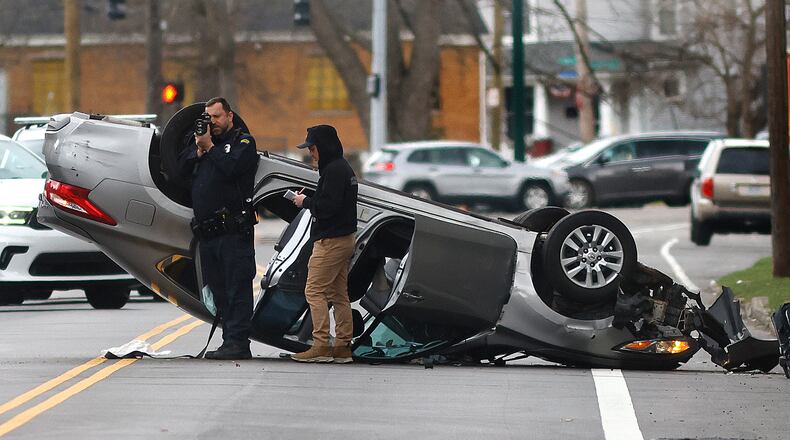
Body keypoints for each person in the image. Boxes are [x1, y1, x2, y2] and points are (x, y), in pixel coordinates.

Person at [177, 97, 258, 360]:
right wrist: (199, 151)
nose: (212, 122)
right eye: (208, 117)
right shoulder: (201, 144)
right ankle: (229, 340)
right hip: (209, 233)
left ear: (230, 117)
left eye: (217, 116)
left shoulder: (243, 143)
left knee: (237, 288)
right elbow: (179, 171)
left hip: (234, 232)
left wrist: (210, 147)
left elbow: (232, 168)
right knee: (219, 289)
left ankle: (238, 342)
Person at [290, 125, 358, 363]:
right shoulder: (341, 168)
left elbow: (327, 208)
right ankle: (342, 346)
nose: (311, 152)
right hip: (345, 239)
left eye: (312, 147)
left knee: (314, 290)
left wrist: (304, 201)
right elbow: (332, 200)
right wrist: (312, 196)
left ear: (324, 146)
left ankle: (320, 345)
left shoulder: (333, 171)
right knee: (339, 294)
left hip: (331, 241)